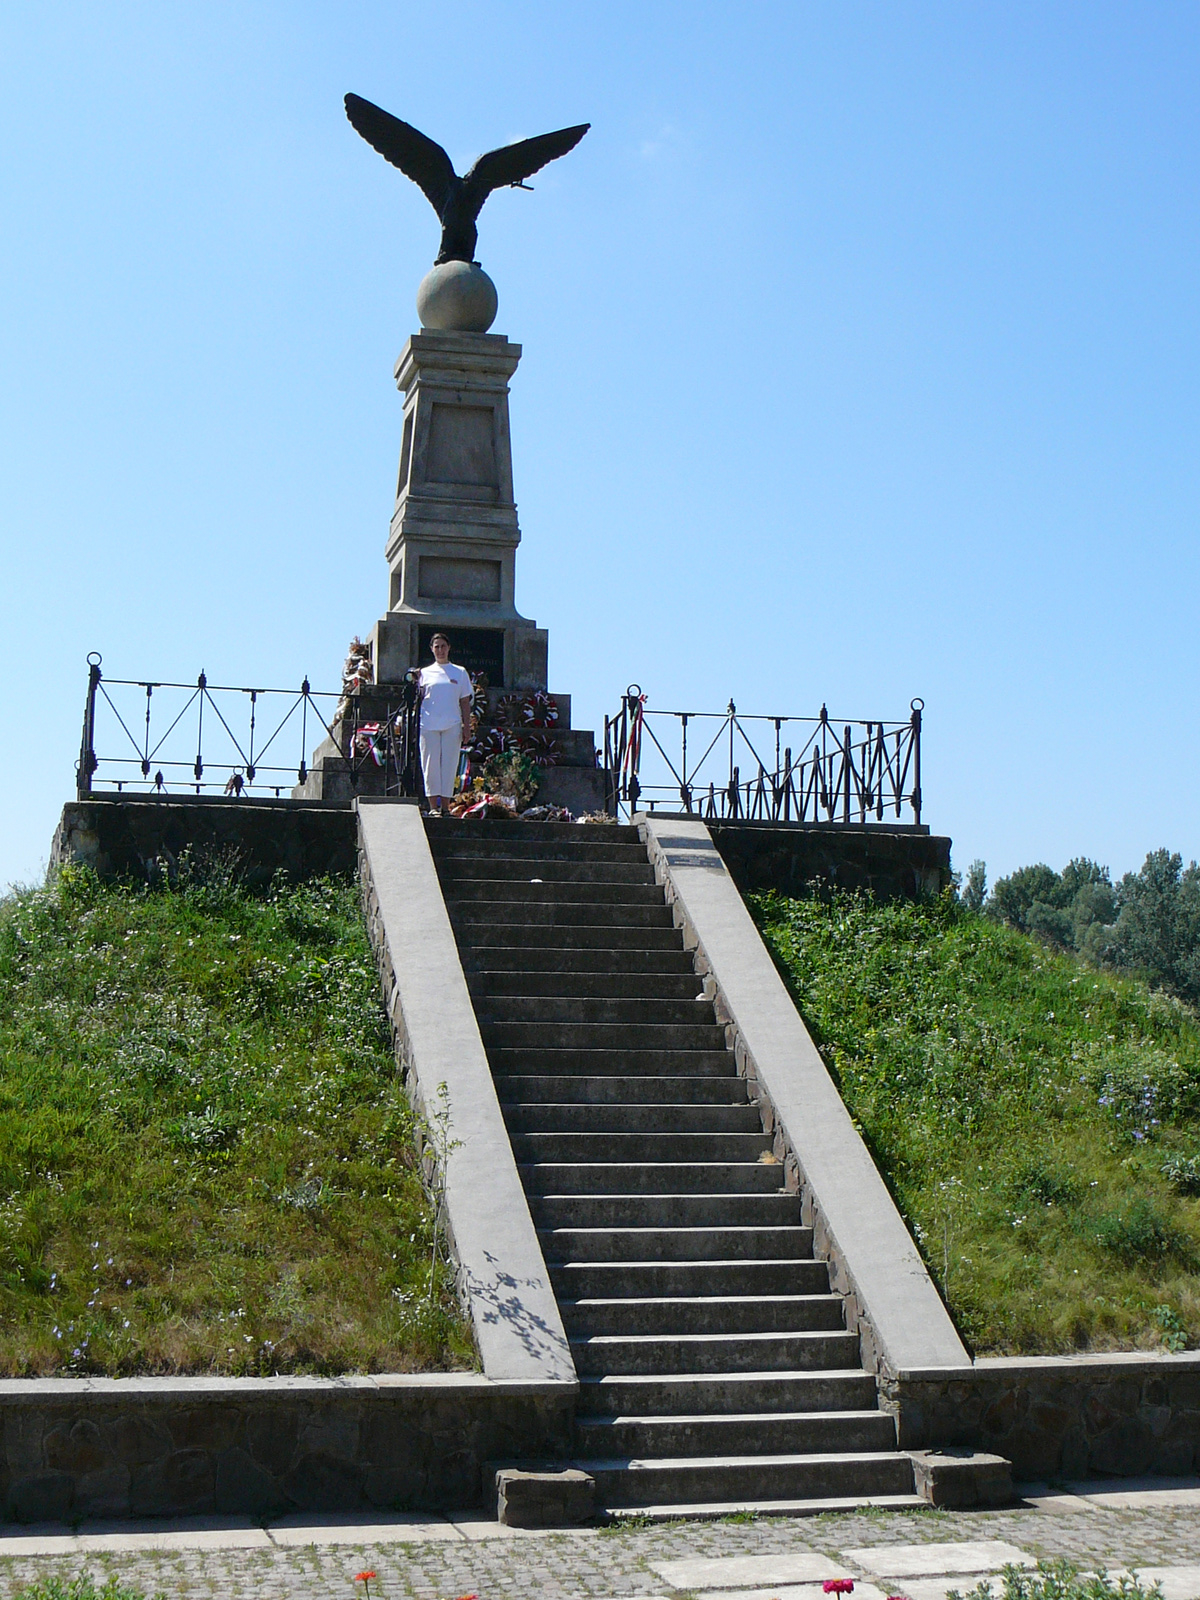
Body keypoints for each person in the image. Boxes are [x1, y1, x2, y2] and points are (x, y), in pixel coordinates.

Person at [417, 633, 473, 814]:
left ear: (448, 648)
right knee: (430, 765)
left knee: (449, 766)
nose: (440, 650)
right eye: (436, 647)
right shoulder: (424, 673)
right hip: (428, 725)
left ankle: (445, 806)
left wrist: (467, 727)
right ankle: (433, 806)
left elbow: (464, 701)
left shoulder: (460, 672)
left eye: (443, 646)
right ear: (432, 649)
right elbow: (418, 699)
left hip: (452, 725)